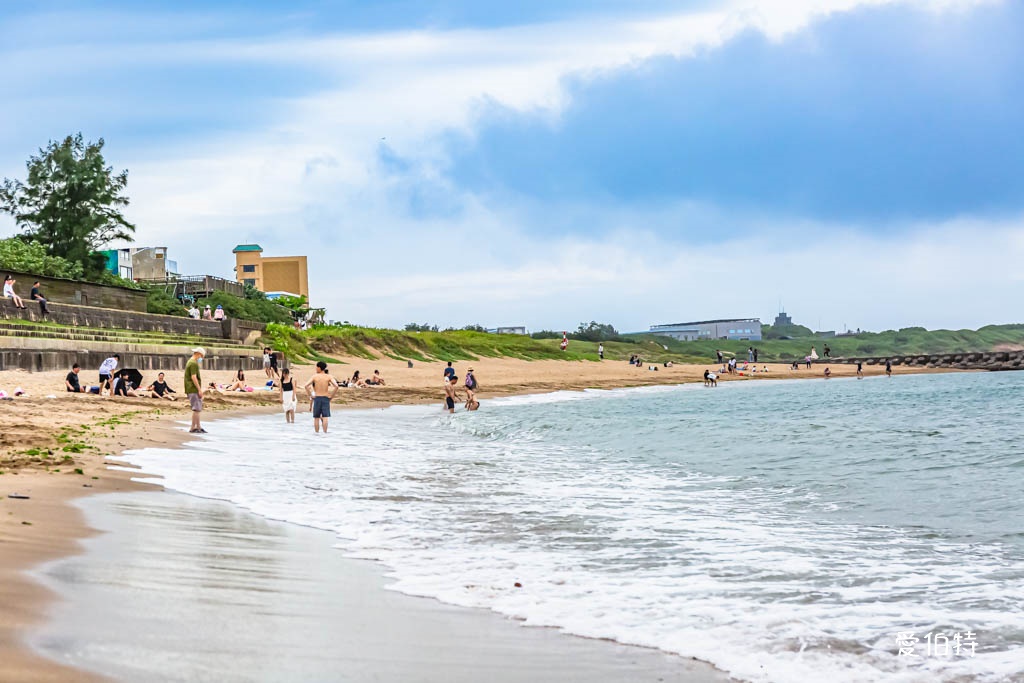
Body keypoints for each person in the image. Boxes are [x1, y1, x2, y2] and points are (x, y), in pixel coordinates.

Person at [304, 361, 339, 433]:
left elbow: (306, 386)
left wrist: (310, 395)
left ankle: (317, 433)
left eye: (316, 367)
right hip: (325, 397)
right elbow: (336, 386)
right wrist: (331, 396)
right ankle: (325, 433)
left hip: (317, 398)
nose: (316, 369)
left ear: (319, 368)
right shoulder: (328, 376)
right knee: (325, 416)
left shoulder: (315, 376)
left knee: (316, 417)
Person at [184, 347, 206, 433]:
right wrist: (199, 390)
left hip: (190, 388)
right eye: (202, 356)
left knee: (197, 408)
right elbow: (194, 377)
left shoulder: (190, 362)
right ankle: (194, 427)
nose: (202, 358)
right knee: (196, 409)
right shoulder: (193, 363)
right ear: (198, 354)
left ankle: (197, 427)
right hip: (193, 388)